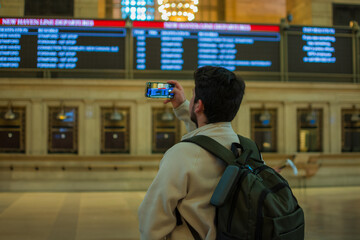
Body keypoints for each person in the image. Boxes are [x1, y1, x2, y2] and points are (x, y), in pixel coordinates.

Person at [138, 66, 246, 239]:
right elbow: (209, 136)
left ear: (199, 105)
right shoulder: (248, 149)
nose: (191, 98)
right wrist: (183, 107)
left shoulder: (181, 155)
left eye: (193, 96)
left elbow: (152, 219)